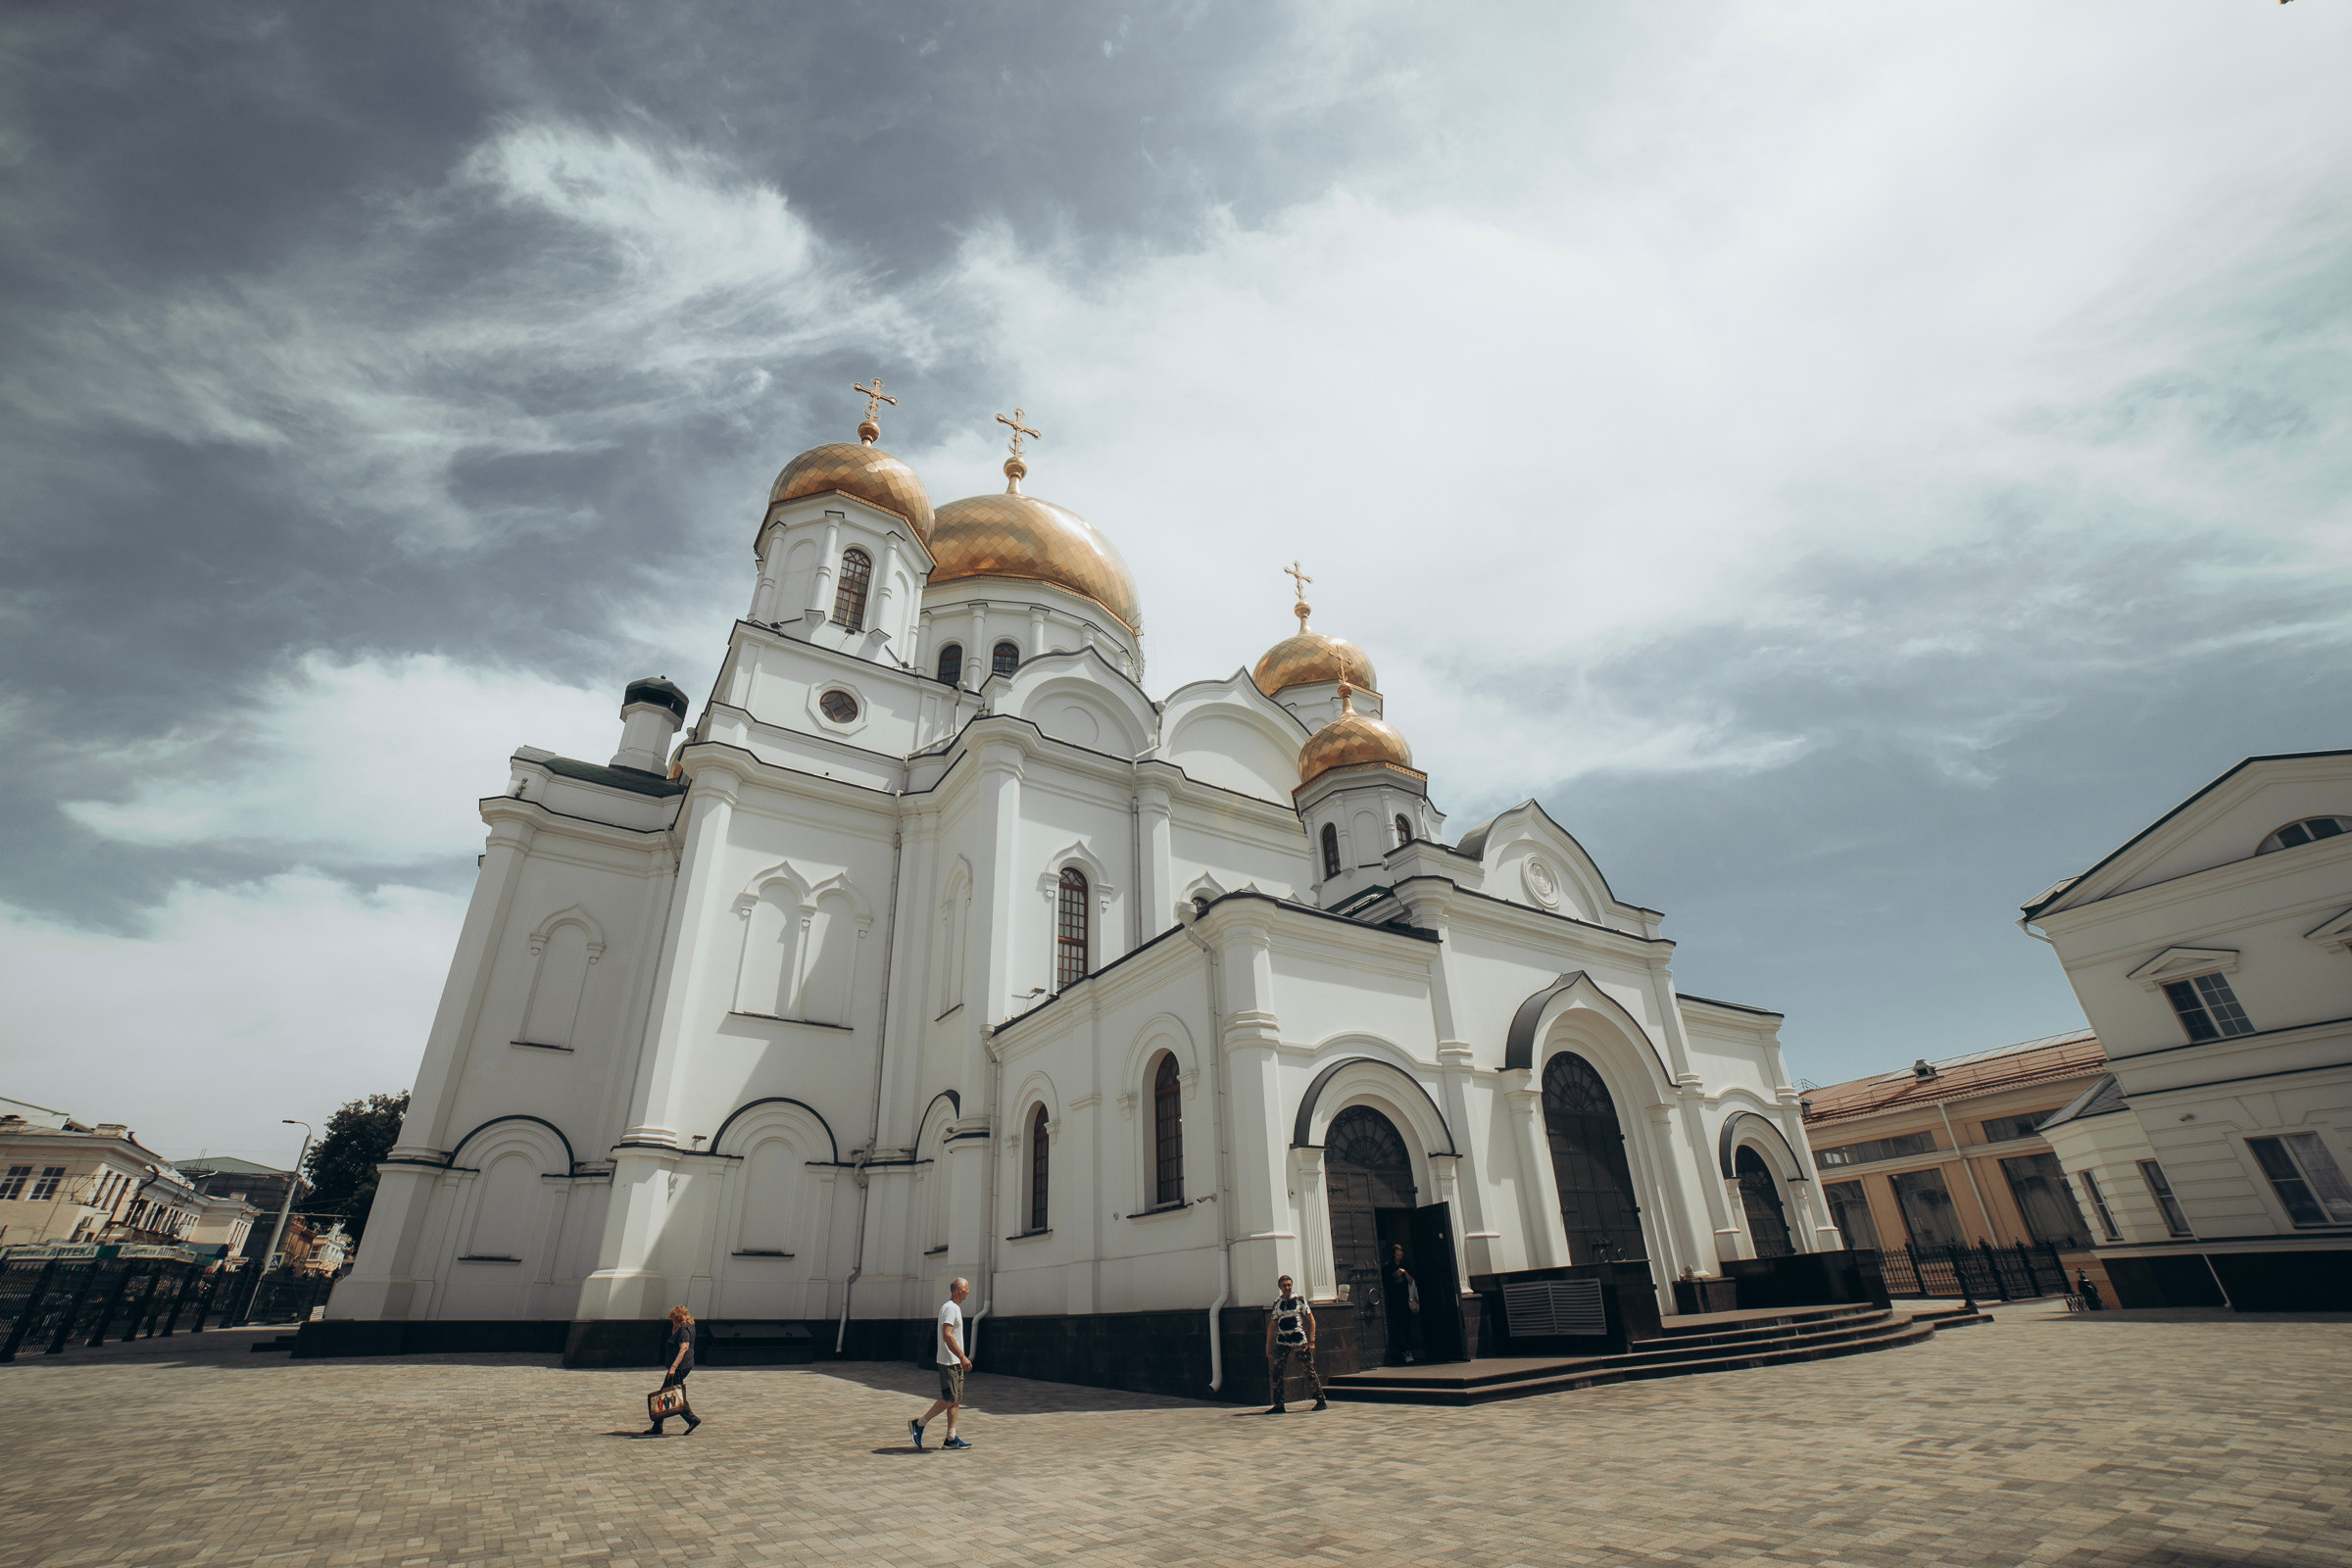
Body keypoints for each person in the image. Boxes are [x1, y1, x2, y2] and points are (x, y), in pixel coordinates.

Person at [909, 1277, 973, 1450]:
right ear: (959, 1290)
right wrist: (962, 1357)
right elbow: (947, 1335)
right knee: (950, 1398)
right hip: (949, 1362)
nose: (968, 1292)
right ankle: (920, 1423)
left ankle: (951, 1438)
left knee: (956, 1399)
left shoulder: (955, 1308)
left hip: (954, 1361)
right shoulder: (950, 1308)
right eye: (966, 1288)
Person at [1263, 1273, 1326, 1414]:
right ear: (1280, 1287)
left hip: (1300, 1341)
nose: (1287, 1288)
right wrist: (1268, 1346)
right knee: (1277, 1371)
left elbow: (1311, 1320)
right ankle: (1279, 1405)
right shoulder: (1277, 1303)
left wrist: (1311, 1341)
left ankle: (1320, 1400)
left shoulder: (1299, 1300)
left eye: (1289, 1285)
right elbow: (1272, 1325)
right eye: (1284, 1286)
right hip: (1282, 1342)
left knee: (1309, 1370)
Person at [643, 1304, 702, 1436]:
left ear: (678, 1318)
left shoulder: (684, 1330)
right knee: (665, 1393)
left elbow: (684, 1348)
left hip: (679, 1367)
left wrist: (674, 1367)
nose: (672, 1321)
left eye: (673, 1319)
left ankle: (692, 1419)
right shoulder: (688, 1327)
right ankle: (657, 1426)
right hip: (684, 1365)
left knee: (674, 1393)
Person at [1386, 1243, 1420, 1365]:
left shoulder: (1406, 1265)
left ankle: (1408, 1350)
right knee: (1398, 1325)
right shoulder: (1388, 1266)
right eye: (1398, 1254)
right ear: (1393, 1255)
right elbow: (1386, 1282)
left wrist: (1404, 1273)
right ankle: (1401, 1351)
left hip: (1406, 1299)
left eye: (1401, 1254)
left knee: (1406, 1324)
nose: (1400, 1257)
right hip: (1395, 1300)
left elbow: (1412, 1281)